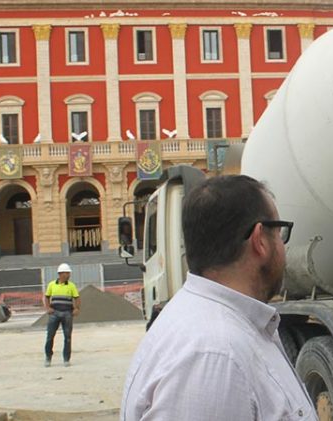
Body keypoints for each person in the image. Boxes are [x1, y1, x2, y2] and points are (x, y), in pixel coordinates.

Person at [121, 175, 317, 420]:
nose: (283, 246)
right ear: (259, 240)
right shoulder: (214, 356)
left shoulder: (215, 330)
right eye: (279, 233)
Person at [44, 263, 80, 367]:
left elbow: (77, 298)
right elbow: (46, 297)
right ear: (60, 274)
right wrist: (48, 308)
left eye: (69, 273)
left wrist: (77, 308)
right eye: (67, 273)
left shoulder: (71, 286)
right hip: (54, 313)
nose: (68, 275)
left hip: (67, 313)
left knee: (67, 337)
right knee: (50, 336)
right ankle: (48, 357)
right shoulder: (51, 285)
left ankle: (66, 359)